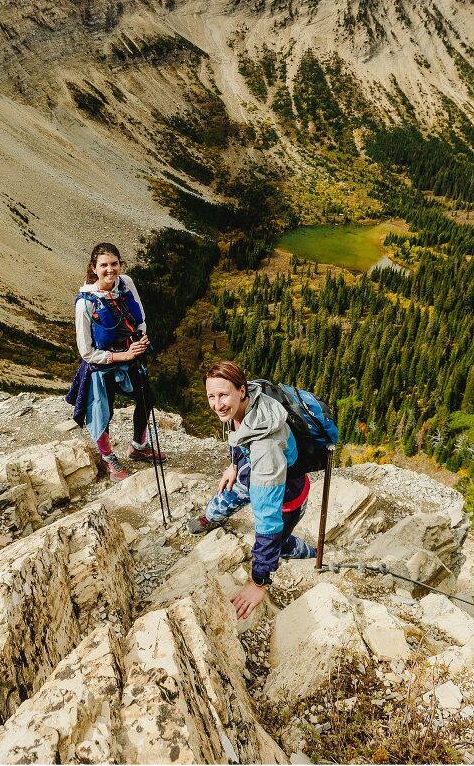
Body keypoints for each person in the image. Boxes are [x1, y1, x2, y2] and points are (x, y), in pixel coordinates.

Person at [188, 360, 316, 619]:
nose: (217, 404)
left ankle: (311, 553)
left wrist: (259, 582)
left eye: (223, 395)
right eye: (211, 396)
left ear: (242, 390)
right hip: (249, 468)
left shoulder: (266, 448)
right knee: (222, 499)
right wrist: (234, 465)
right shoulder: (248, 401)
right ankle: (211, 518)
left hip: (285, 494)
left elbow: (267, 520)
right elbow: (239, 434)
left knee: (277, 541)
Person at [73, 241, 165, 481]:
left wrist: (141, 336)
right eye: (104, 265)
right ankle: (107, 457)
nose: (110, 270)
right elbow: (86, 351)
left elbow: (140, 316)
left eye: (114, 264)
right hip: (101, 367)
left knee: (147, 397)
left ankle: (138, 446)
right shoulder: (85, 303)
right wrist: (124, 355)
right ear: (94, 268)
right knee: (103, 411)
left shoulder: (126, 283)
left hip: (130, 357)